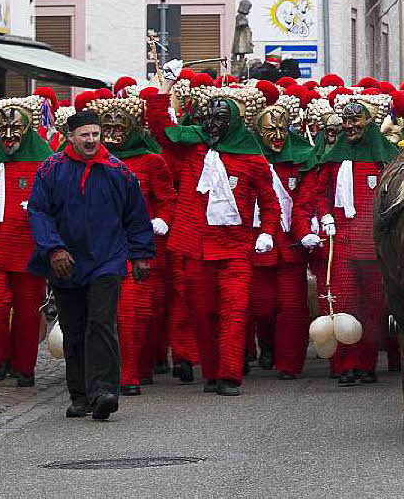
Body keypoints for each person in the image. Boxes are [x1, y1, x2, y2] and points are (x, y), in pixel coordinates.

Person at [147, 78, 280, 396]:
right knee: (201, 315)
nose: (212, 124)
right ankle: (211, 372)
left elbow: (270, 203)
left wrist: (267, 233)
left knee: (234, 313)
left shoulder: (253, 160)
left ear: (233, 122)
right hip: (195, 248)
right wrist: (164, 88)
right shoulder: (191, 152)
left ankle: (230, 375)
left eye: (220, 118)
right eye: (208, 117)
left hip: (235, 249)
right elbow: (160, 129)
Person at [27, 109, 154, 421]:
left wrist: (140, 254)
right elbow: (39, 212)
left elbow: (136, 215)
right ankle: (80, 395)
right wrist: (53, 249)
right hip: (66, 262)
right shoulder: (51, 168)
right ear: (70, 137)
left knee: (101, 322)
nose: (91, 140)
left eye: (95, 134)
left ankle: (104, 391)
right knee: (74, 328)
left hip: (107, 259)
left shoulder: (117, 170)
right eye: (84, 135)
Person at [84, 92, 177, 396]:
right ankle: (109, 372)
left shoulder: (151, 162)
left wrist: (161, 220)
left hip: (136, 247)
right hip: (99, 247)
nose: (111, 135)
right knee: (102, 315)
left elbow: (167, 201)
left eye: (118, 129)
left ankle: (132, 373)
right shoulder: (92, 161)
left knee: (134, 312)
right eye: (105, 129)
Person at [0, 96, 52, 384]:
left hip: (29, 244)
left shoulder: (45, 161)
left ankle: (24, 365)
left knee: (28, 310)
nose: (9, 136)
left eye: (15, 129)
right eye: (3, 129)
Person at [315, 97, 400, 385]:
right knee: (344, 304)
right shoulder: (333, 158)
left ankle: (367, 364)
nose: (349, 126)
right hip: (340, 242)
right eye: (346, 120)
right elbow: (319, 193)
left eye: (355, 120)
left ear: (369, 123)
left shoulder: (386, 157)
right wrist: (325, 215)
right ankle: (346, 365)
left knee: (374, 306)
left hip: (374, 244)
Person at [250, 101, 326, 379]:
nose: (278, 135)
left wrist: (304, 230)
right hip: (258, 242)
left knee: (292, 307)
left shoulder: (302, 158)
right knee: (262, 305)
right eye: (270, 129)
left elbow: (306, 200)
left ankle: (290, 363)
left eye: (282, 128)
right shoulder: (248, 158)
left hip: (291, 244)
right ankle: (267, 344)